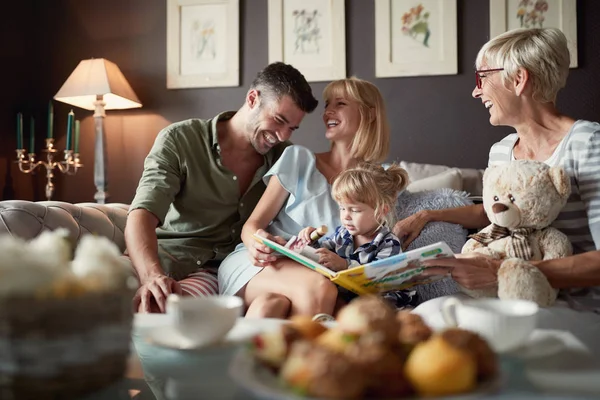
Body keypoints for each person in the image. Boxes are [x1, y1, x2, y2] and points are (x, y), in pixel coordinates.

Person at [394, 28, 600, 314]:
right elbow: (496, 214)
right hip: (509, 300)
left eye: (482, 78)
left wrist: (503, 270)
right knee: (427, 316)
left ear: (518, 79)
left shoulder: (588, 143)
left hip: (577, 307)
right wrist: (427, 215)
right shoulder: (501, 150)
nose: (476, 91)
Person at [125, 62, 318, 313]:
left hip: (211, 273)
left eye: (291, 128)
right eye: (278, 120)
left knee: (158, 308)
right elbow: (141, 214)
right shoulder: (180, 139)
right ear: (252, 99)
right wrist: (151, 275)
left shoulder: (286, 160)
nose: (282, 135)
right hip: (157, 257)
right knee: (88, 293)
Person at [218, 77, 391, 318]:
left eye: (340, 104)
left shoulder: (380, 181)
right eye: (327, 105)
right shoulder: (298, 158)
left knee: (271, 306)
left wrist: (426, 216)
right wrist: (257, 244)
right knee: (320, 290)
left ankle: (246, 352)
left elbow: (382, 243)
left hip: (317, 274)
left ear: (370, 114)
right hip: (260, 265)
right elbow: (252, 225)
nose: (328, 111)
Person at [297, 162, 408, 270]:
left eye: (354, 210)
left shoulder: (389, 244)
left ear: (381, 211)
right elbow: (321, 256)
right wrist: (310, 243)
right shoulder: (342, 234)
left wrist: (346, 265)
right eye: (342, 208)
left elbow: (377, 280)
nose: (346, 216)